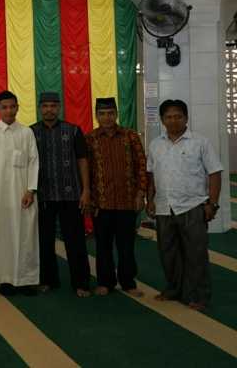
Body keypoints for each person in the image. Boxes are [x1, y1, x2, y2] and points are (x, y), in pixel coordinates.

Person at [146, 99, 222, 311]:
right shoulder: (155, 145)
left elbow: (215, 173)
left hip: (193, 206)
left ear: (186, 118)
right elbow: (150, 176)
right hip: (164, 207)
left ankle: (199, 296)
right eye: (168, 117)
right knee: (168, 253)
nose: (173, 120)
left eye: (178, 116)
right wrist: (149, 200)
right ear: (162, 120)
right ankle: (174, 289)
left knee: (196, 254)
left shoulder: (200, 142)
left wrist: (212, 204)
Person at [31, 92, 92, 297]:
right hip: (43, 196)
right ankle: (48, 280)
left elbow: (82, 160)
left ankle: (81, 283)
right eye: (45, 106)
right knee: (44, 241)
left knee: (75, 241)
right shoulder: (31, 132)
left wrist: (86, 190)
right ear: (40, 108)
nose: (49, 109)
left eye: (53, 106)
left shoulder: (73, 130)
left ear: (59, 108)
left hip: (71, 194)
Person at [86, 97, 147, 298]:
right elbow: (86, 172)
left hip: (127, 201)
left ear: (116, 114)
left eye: (110, 113)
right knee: (102, 246)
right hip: (101, 203)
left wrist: (141, 193)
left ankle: (128, 282)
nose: (107, 118)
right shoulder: (90, 139)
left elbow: (141, 166)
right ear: (97, 116)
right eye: (102, 114)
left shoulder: (130, 136)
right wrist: (89, 198)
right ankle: (105, 282)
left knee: (126, 246)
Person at [0, 91, 40, 294]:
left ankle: (25, 280)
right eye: (4, 107)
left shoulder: (26, 133)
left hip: (23, 196)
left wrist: (31, 190)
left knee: (25, 236)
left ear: (17, 107)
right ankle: (3, 279)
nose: (8, 111)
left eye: (12, 107)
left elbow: (34, 162)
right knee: (0, 236)